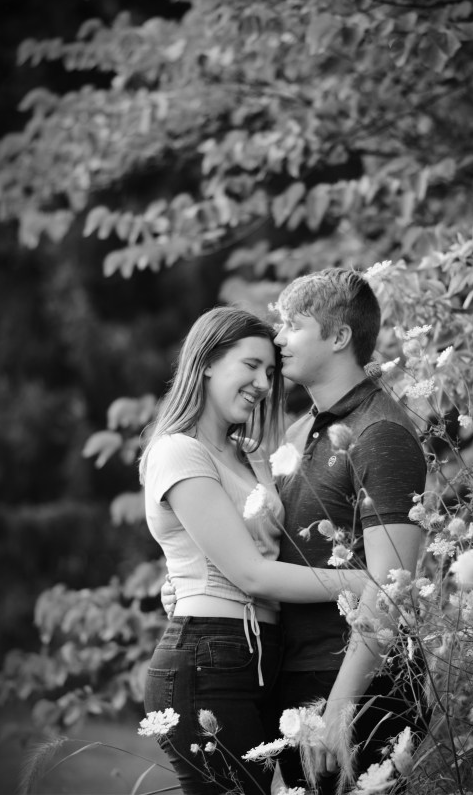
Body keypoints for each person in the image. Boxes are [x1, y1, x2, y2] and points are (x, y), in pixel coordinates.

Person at [162, 271, 429, 794]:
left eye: (293, 324)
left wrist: (340, 708)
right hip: (293, 675)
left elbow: (390, 588)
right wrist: (193, 580)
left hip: (360, 683)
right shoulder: (299, 431)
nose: (278, 338)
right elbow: (269, 545)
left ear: (339, 336)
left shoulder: (381, 432)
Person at [140, 306, 368, 795]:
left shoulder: (252, 455)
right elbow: (252, 574)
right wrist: (370, 583)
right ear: (206, 362)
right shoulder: (178, 451)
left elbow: (271, 549)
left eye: (269, 371)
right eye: (250, 366)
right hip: (208, 659)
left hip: (261, 658)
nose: (263, 383)